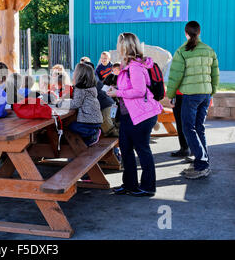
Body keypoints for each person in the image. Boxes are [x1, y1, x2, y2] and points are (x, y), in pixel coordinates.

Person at [107, 33, 163, 197]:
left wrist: (118, 92)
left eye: (119, 44)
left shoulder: (135, 66)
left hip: (141, 115)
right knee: (126, 149)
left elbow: (140, 91)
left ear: (124, 46)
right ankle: (129, 184)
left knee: (142, 149)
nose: (117, 47)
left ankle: (148, 186)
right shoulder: (128, 65)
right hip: (128, 114)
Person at [166, 21, 219, 179]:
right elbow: (215, 74)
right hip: (205, 94)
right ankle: (203, 162)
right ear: (199, 32)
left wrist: (170, 95)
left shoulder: (182, 51)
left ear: (186, 33)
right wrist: (212, 92)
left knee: (188, 128)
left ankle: (202, 164)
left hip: (190, 95)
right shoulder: (209, 50)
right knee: (199, 128)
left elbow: (175, 76)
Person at [57, 62, 103, 147]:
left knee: (71, 126)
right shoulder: (91, 87)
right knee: (83, 142)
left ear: (79, 75)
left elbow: (76, 103)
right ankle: (91, 136)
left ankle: (93, 134)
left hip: (88, 121)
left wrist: (61, 104)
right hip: (96, 120)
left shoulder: (80, 89)